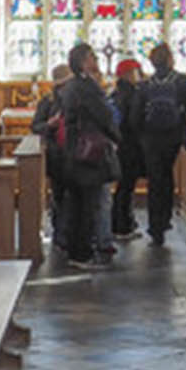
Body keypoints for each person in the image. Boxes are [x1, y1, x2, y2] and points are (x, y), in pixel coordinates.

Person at [133, 42, 186, 246]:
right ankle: (164, 220)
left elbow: (136, 115)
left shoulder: (146, 85)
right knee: (166, 175)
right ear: (170, 59)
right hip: (173, 136)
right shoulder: (181, 82)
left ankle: (155, 226)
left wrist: (140, 137)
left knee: (155, 180)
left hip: (151, 138)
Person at [59, 42, 119, 268]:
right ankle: (82, 254)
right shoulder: (87, 87)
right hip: (89, 155)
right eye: (93, 57)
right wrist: (116, 137)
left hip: (74, 152)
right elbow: (104, 115)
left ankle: (76, 252)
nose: (96, 60)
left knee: (77, 204)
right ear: (84, 61)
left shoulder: (71, 86)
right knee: (88, 205)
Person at [31, 63, 72, 256]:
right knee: (60, 196)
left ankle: (72, 235)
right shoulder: (48, 102)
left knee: (74, 197)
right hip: (57, 155)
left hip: (76, 153)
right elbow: (36, 126)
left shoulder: (76, 99)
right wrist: (50, 124)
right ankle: (61, 236)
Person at [110, 57, 146, 238]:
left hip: (121, 145)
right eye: (136, 71)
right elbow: (133, 122)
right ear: (128, 74)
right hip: (130, 146)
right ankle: (122, 226)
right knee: (126, 187)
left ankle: (123, 222)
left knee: (124, 186)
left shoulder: (116, 92)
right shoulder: (131, 94)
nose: (139, 75)